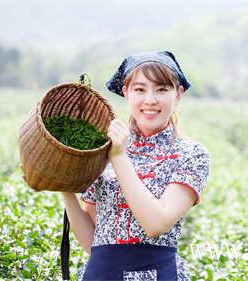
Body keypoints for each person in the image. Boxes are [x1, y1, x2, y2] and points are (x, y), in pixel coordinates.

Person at [61, 50, 211, 281]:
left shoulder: (191, 154)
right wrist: (65, 188)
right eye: (140, 89)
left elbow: (156, 224)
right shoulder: (101, 150)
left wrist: (119, 158)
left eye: (162, 89)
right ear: (126, 92)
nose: (150, 100)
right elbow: (93, 242)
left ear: (178, 94)